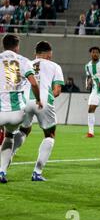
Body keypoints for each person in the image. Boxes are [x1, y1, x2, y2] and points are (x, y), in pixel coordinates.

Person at [11, 41, 64, 181]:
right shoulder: (55, 66)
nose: (50, 58)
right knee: (49, 135)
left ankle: (7, 158)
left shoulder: (26, 63)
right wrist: (49, 97)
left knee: (24, 130)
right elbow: (57, 90)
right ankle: (37, 172)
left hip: (24, 101)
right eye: (50, 55)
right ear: (47, 53)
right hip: (43, 101)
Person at [0, 34, 41, 184]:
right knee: (9, 136)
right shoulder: (23, 61)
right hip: (16, 112)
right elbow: (34, 84)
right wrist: (38, 99)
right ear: (17, 46)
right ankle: (2, 172)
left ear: (3, 45)